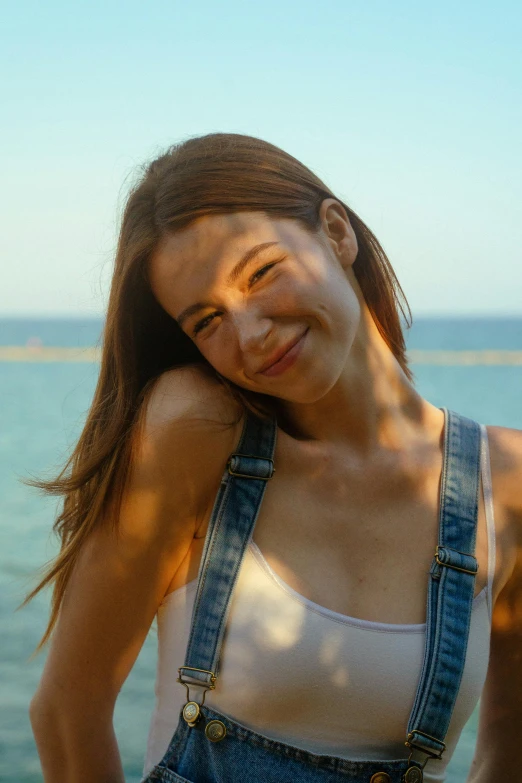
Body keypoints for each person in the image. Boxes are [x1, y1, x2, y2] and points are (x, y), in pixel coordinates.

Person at [26, 132, 521, 783]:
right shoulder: (198, 428)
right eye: (206, 320)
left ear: (337, 231)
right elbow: (67, 710)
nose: (250, 334)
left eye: (261, 272)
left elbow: (508, 755)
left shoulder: (506, 482)